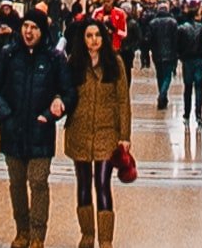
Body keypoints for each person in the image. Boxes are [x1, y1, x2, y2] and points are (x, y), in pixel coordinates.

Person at [0, 8, 68, 248]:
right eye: (26, 26)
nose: (28, 32)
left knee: (39, 182)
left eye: (34, 28)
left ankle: (37, 235)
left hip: (41, 130)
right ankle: (21, 230)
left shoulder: (54, 59)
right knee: (17, 183)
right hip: (13, 130)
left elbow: (67, 92)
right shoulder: (8, 55)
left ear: (42, 31)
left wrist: (55, 107)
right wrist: (6, 114)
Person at [65, 15, 131, 248]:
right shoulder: (74, 63)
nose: (93, 40)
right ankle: (87, 234)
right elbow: (66, 93)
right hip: (79, 131)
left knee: (102, 183)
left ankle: (105, 239)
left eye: (97, 36)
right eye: (89, 36)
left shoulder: (116, 63)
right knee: (83, 183)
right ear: (82, 39)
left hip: (106, 131)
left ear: (104, 38)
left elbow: (123, 100)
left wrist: (125, 136)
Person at [146, 2, 179, 110]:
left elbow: (149, 39)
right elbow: (175, 40)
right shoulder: (173, 22)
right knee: (167, 76)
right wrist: (176, 53)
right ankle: (162, 95)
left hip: (157, 54)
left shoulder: (152, 23)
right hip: (170, 54)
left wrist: (149, 51)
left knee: (160, 76)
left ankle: (162, 96)